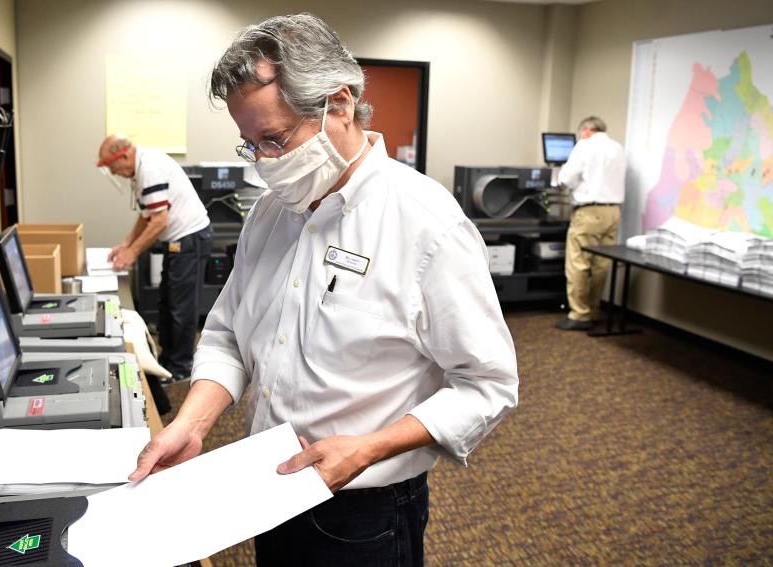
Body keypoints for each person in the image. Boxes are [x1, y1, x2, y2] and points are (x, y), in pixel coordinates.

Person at [129, 14, 518, 566]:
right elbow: (227, 335)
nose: (264, 162)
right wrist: (190, 425)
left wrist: (368, 448)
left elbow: (488, 385)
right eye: (250, 144)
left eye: (275, 139)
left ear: (339, 103)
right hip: (270, 486)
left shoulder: (426, 225)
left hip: (363, 510)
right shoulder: (271, 212)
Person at [97, 134, 213, 397]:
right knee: (167, 303)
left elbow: (159, 220)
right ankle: (168, 362)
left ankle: (181, 367)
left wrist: (133, 253)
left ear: (124, 155)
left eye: (115, 168)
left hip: (189, 239)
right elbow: (146, 214)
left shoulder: (149, 168)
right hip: (178, 241)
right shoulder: (140, 168)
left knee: (180, 308)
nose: (117, 174)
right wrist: (125, 245)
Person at [555, 116, 626, 331]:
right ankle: (594, 309)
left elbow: (566, 179)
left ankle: (579, 314)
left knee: (578, 263)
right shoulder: (618, 148)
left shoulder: (584, 146)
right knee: (601, 263)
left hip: (589, 212)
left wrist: (560, 182)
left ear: (585, 131)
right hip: (613, 212)